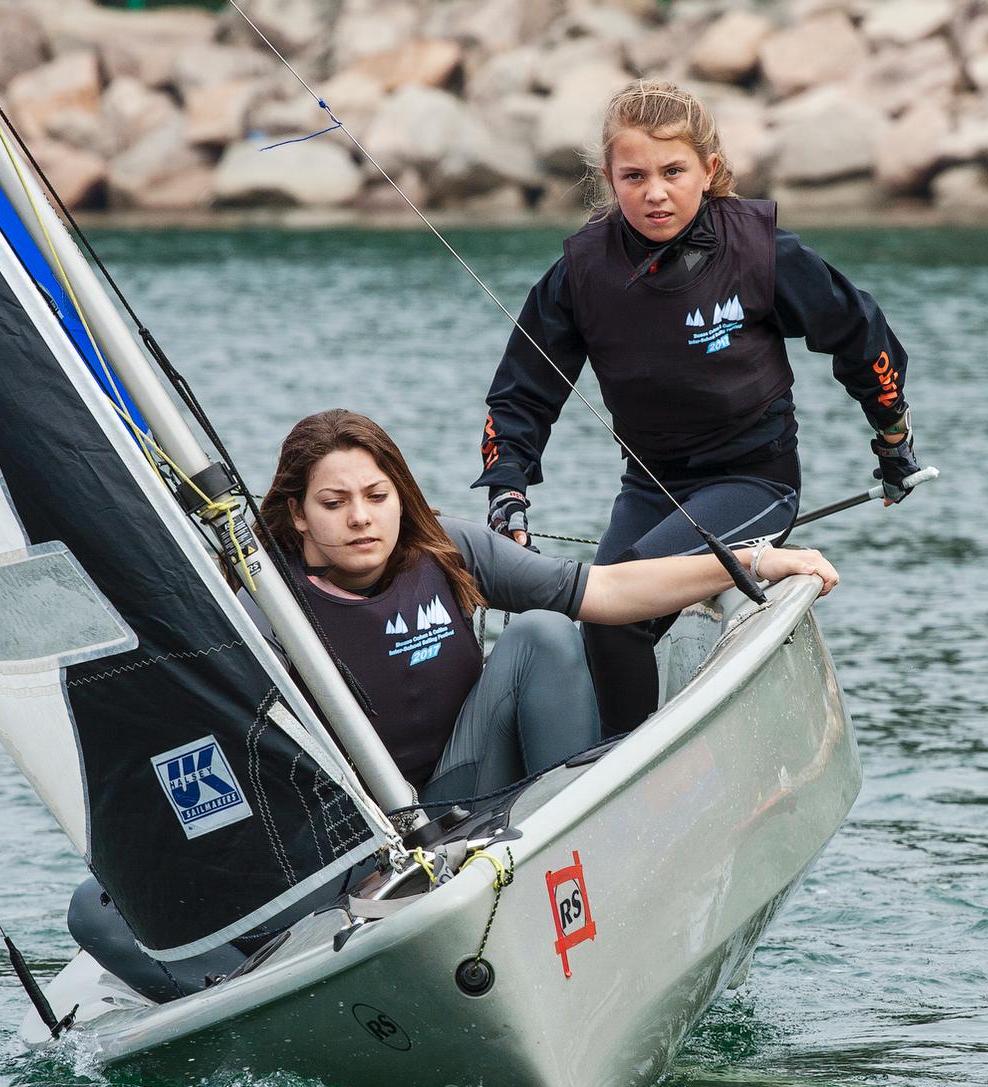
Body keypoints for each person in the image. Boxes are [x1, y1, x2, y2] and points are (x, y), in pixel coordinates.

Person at [474, 79, 921, 737]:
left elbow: (860, 333)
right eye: (635, 175)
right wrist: (506, 490)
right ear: (609, 177)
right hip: (651, 487)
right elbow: (521, 393)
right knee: (604, 613)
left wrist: (893, 437)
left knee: (622, 600)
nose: (655, 191)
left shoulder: (759, 250)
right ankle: (622, 759)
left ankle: (635, 765)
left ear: (707, 170)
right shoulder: (581, 271)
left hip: (755, 482)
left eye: (673, 171)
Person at [248, 409, 838, 807]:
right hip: (372, 832)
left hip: (471, 791)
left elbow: (605, 591)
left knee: (544, 633)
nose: (360, 518)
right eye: (333, 502)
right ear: (299, 513)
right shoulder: (262, 602)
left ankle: (578, 829)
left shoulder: (447, 548)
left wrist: (753, 562)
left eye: (377, 497)